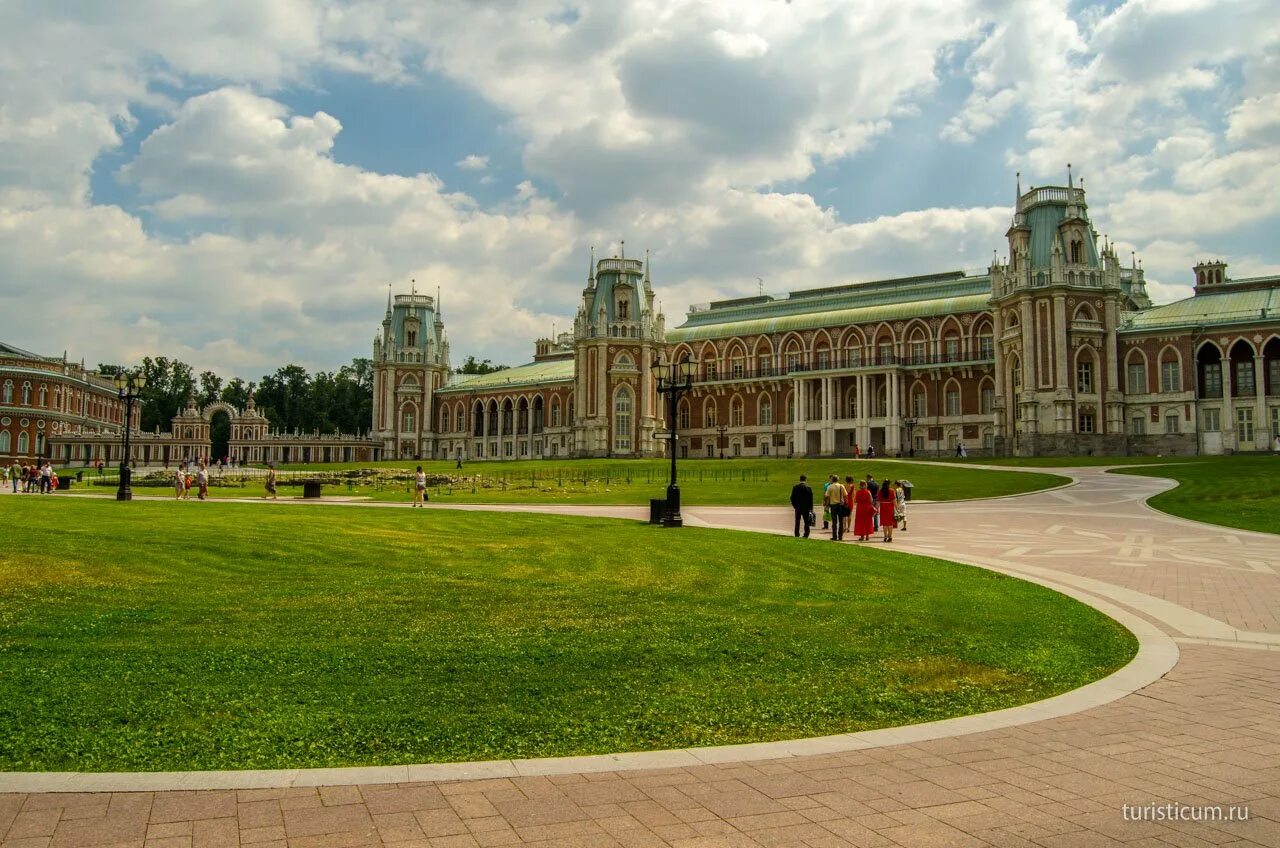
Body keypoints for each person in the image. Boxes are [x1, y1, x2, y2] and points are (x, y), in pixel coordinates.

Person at [824, 475, 846, 541]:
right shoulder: (841, 486)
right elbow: (845, 495)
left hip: (833, 505)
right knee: (841, 521)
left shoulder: (830, 487)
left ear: (832, 480)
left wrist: (827, 506)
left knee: (834, 522)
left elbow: (827, 497)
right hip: (840, 504)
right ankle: (840, 536)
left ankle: (834, 536)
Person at [879, 478, 896, 542]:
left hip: (883, 507)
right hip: (890, 508)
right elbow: (894, 500)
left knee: (885, 523)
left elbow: (878, 501)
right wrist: (897, 508)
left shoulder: (881, 491)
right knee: (890, 523)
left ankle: (885, 536)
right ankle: (890, 536)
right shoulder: (891, 490)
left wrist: (877, 509)